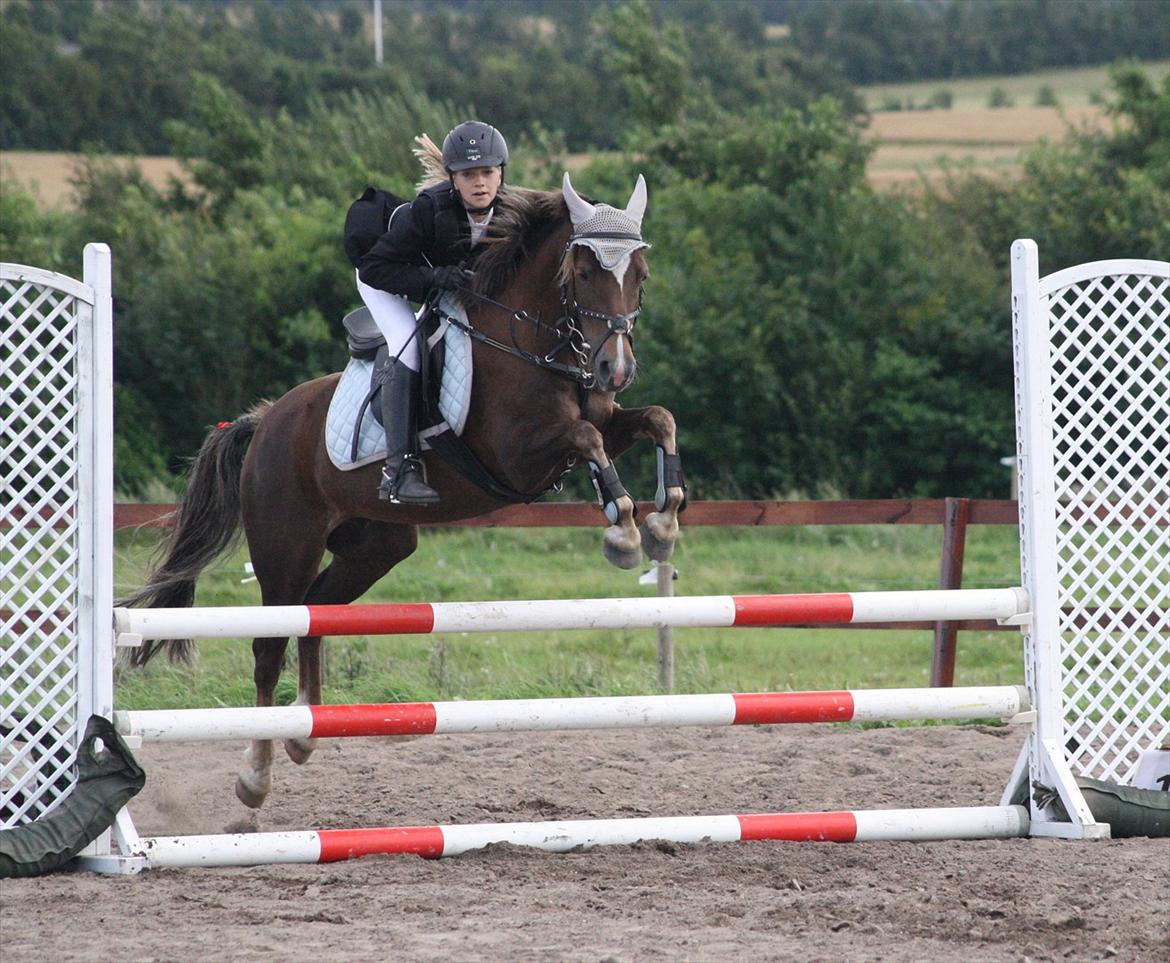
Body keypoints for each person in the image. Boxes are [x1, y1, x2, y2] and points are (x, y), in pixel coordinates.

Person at [355, 120, 509, 504]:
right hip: (382, 277)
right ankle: (399, 470)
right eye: (468, 175)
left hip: (431, 277)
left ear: (501, 173)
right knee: (407, 348)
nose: (480, 183)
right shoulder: (428, 211)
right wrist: (435, 277)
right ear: (452, 179)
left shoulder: (509, 211)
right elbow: (376, 267)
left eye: (488, 173)